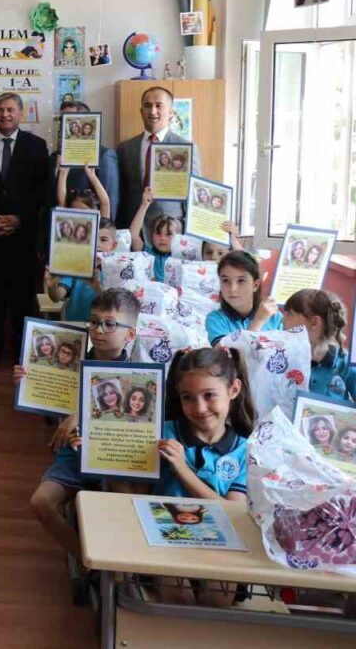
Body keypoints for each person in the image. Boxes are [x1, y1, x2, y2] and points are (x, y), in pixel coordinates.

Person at [19, 288, 140, 562]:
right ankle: (89, 563)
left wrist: (82, 415)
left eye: (110, 324)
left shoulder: (138, 374)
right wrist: (29, 380)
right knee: (41, 502)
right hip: (73, 454)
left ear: (130, 334)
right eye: (94, 321)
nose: (99, 329)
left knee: (127, 503)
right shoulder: (72, 359)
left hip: (114, 457)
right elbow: (48, 394)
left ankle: (122, 565)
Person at [154, 348, 256, 607]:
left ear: (234, 389)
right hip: (164, 539)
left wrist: (182, 470)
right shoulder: (159, 434)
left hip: (222, 545)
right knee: (180, 598)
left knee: (216, 599)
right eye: (187, 398)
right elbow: (128, 490)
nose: (199, 408)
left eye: (209, 395)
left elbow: (233, 510)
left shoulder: (245, 450)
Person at [0, 94, 50, 368]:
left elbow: (42, 193)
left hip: (24, 237)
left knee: (22, 299)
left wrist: (19, 219)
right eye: (0, 110)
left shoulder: (37, 146)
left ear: (21, 113)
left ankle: (21, 353)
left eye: (10, 110)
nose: (5, 114)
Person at [116, 87, 201, 239]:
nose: (153, 111)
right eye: (147, 106)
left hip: (170, 231)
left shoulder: (186, 148)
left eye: (159, 106)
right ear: (141, 111)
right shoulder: (125, 148)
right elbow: (121, 193)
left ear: (171, 112)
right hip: (133, 230)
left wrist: (190, 234)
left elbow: (194, 195)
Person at [48, 100, 119, 224]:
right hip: (56, 227)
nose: (64, 125)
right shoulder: (54, 156)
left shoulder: (103, 156)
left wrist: (104, 232)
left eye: (70, 120)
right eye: (62, 120)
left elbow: (109, 204)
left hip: (89, 227)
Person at [282, 289, 354, 402]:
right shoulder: (281, 357)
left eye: (289, 313)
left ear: (315, 322)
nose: (282, 319)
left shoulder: (344, 363)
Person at [43, 218, 116, 322]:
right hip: (75, 325)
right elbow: (56, 297)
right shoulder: (76, 265)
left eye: (103, 240)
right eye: (92, 239)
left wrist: (98, 288)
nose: (97, 244)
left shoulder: (117, 270)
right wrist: (51, 285)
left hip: (102, 327)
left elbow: (116, 306)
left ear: (113, 245)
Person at [206, 251, 283, 344]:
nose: (233, 289)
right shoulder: (216, 319)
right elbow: (228, 353)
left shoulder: (275, 317)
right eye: (225, 280)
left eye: (241, 280)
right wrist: (258, 321)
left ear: (255, 285)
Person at [128, 188, 179, 281]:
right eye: (158, 233)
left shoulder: (181, 258)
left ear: (178, 238)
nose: (162, 238)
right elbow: (133, 236)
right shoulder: (146, 254)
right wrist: (144, 205)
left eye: (168, 234)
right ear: (151, 235)